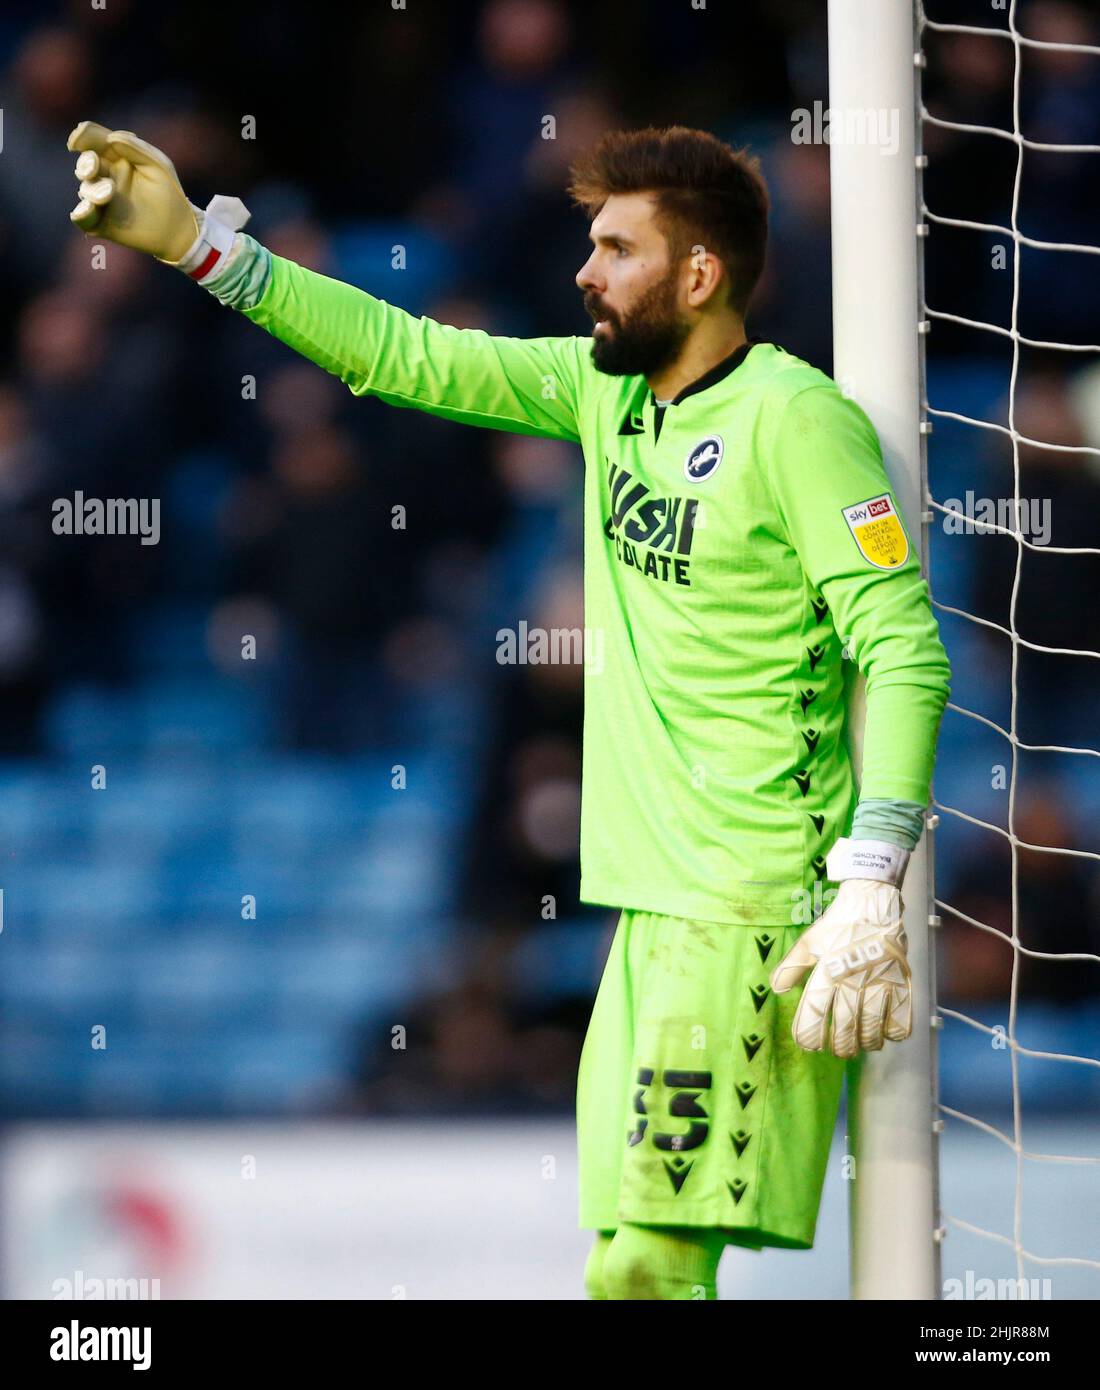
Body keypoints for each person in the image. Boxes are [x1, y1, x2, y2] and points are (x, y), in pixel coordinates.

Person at [66, 120, 951, 1300]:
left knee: (646, 1265)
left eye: (615, 248)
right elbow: (404, 355)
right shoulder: (601, 394)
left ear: (697, 274)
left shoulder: (798, 424)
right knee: (623, 1266)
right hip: (651, 909)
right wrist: (201, 249)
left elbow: (902, 648)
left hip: (750, 907)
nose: (584, 272)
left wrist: (868, 875)